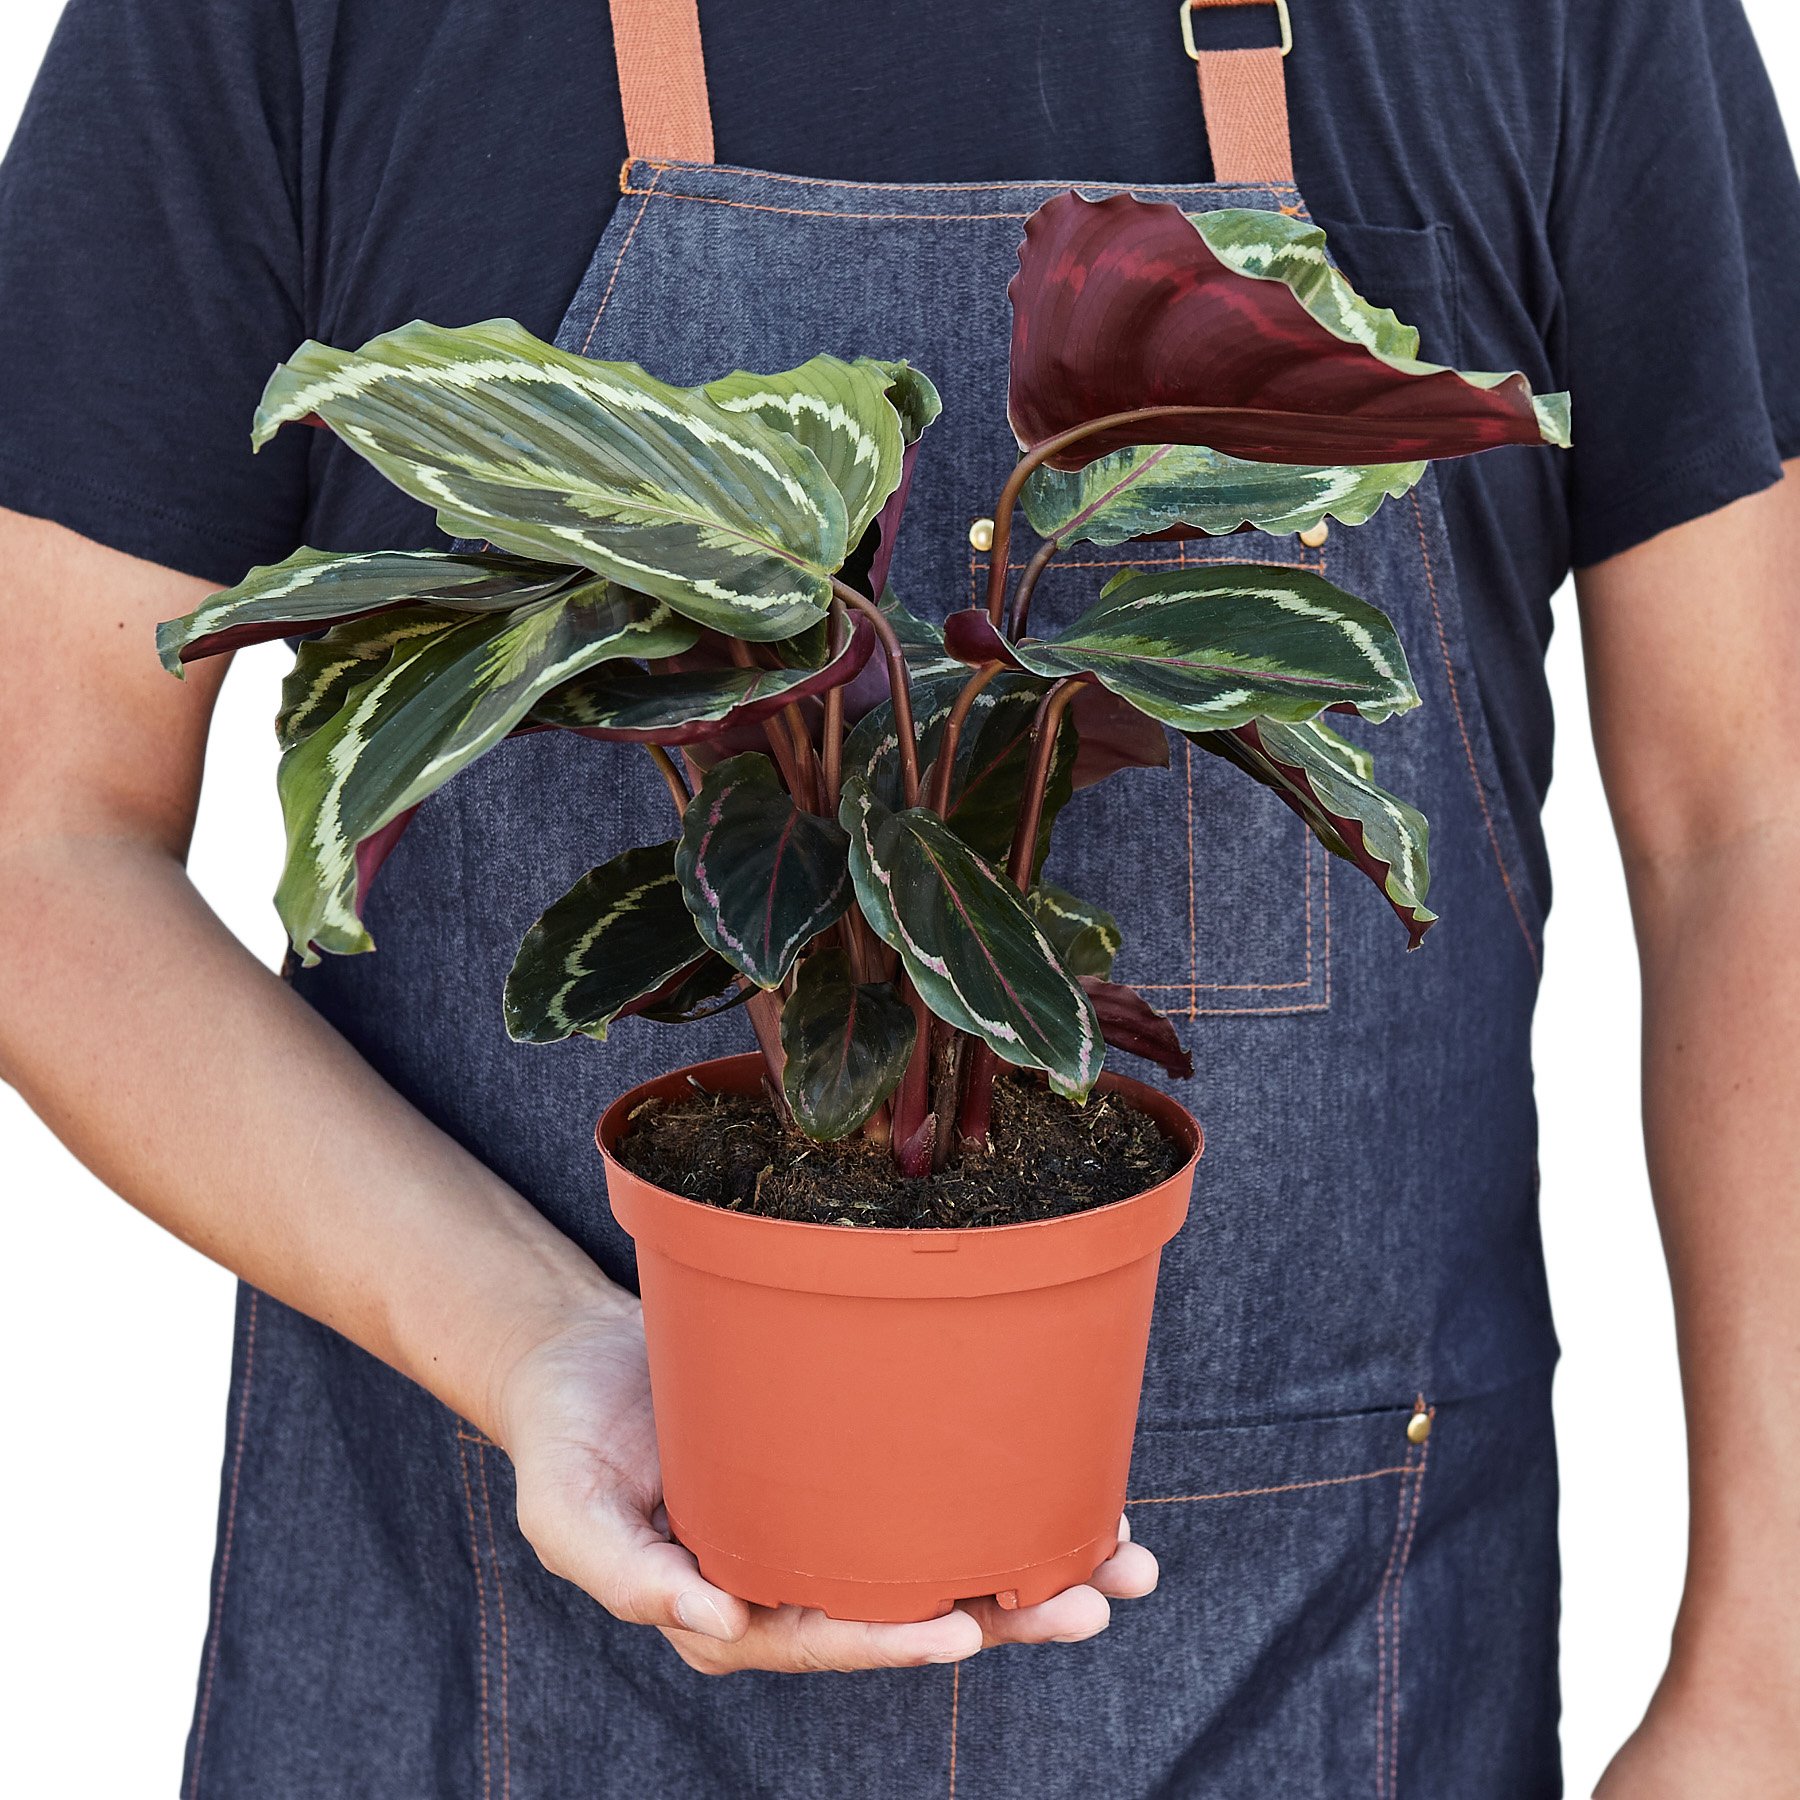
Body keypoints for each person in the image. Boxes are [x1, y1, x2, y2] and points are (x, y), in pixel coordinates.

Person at [2, 0, 1797, 1792]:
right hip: (482, 1673)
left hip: (1326, 1675)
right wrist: (533, 1343)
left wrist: (1760, 1701)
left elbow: (1752, 821)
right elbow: (38, 834)